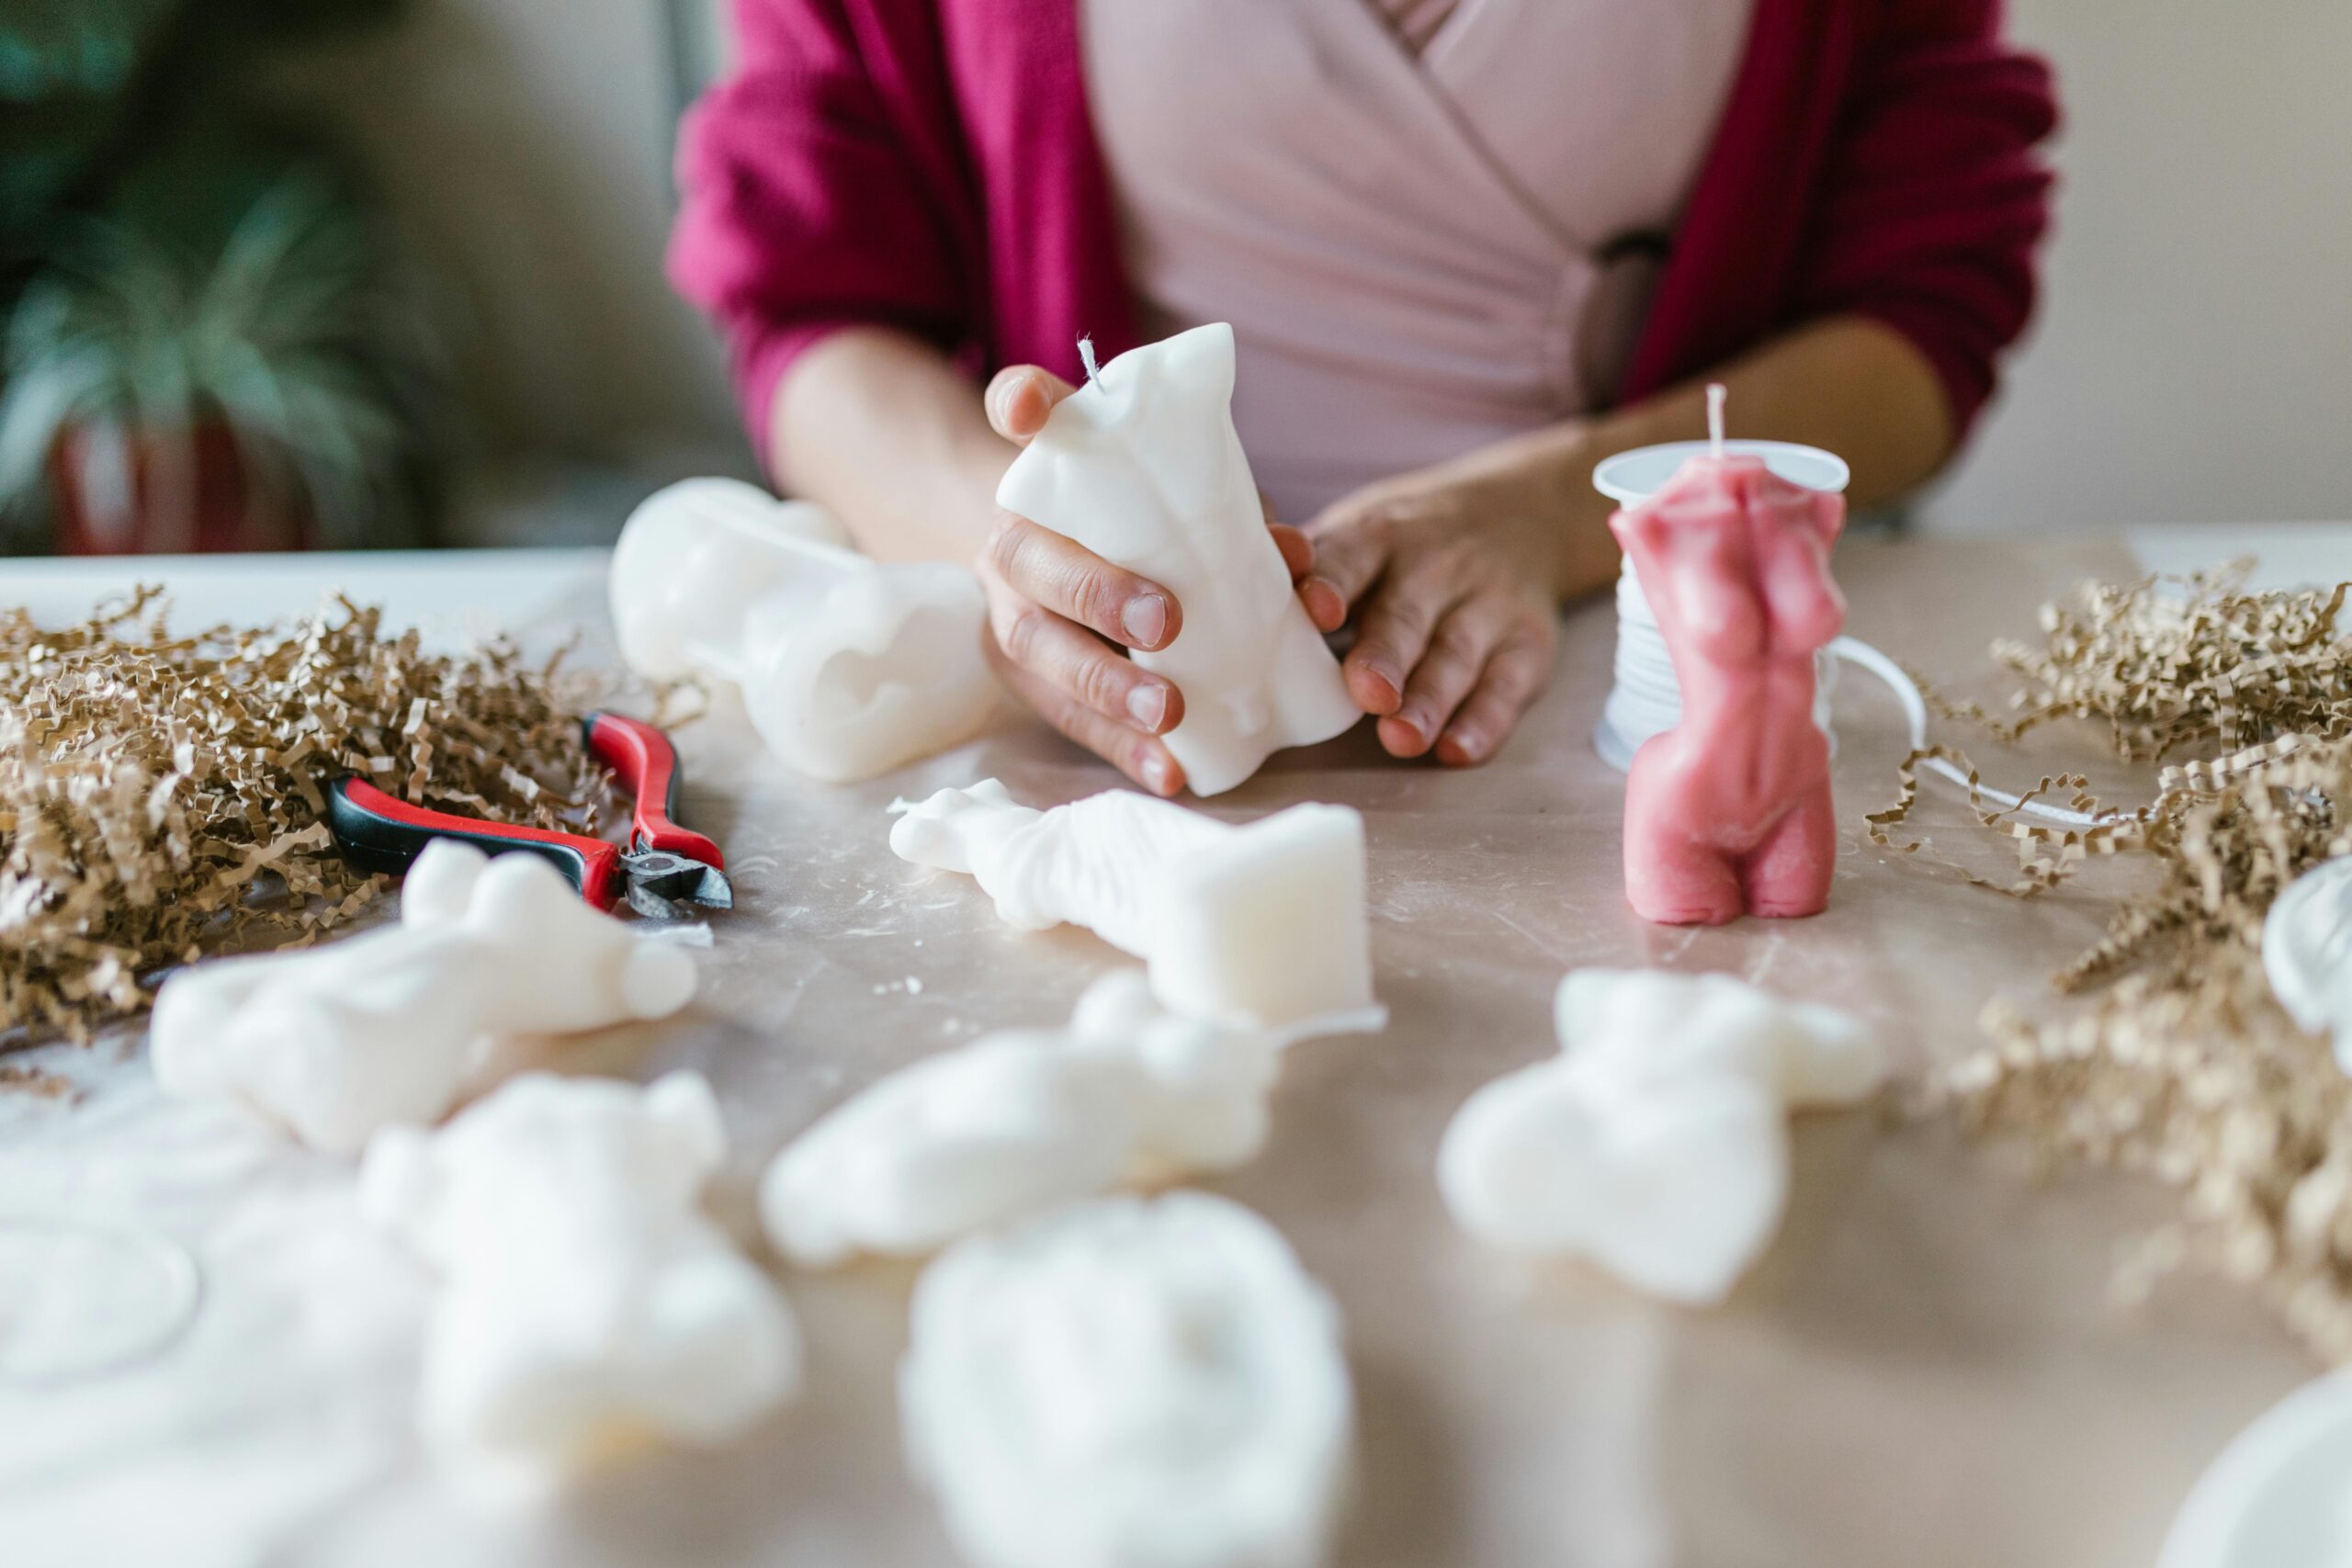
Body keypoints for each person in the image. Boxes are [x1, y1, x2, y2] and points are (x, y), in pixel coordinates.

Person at [670, 0, 2057, 796]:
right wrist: (1027, 565)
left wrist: (1543, 517)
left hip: (1631, 677)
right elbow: (811, 306)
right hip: (1105, 746)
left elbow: (1927, 314)